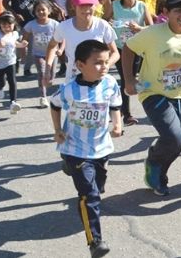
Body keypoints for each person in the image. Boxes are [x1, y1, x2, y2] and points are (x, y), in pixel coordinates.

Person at [122, 0, 181, 195]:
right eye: (178, 10)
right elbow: (128, 49)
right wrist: (128, 80)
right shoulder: (153, 33)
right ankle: (154, 160)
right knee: (173, 137)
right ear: (166, 12)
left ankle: (158, 174)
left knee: (177, 143)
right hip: (153, 91)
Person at [50, 39, 123, 258]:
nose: (104, 66)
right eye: (98, 63)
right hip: (75, 148)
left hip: (101, 147)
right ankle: (95, 242)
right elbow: (54, 104)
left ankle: (78, 177)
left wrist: (117, 123)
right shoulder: (70, 90)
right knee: (89, 194)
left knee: (98, 188)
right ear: (81, 65)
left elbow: (115, 104)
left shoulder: (110, 83)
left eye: (105, 61)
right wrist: (57, 130)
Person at [44, 0, 120, 86]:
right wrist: (47, 69)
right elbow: (52, 46)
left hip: (98, 80)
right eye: (82, 5)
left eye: (90, 4)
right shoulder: (64, 27)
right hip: (73, 82)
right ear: (74, 6)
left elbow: (115, 53)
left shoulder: (102, 25)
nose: (86, 9)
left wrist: (105, 66)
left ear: (96, 5)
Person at [112, 0, 153, 126]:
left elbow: (152, 27)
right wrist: (111, 23)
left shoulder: (142, 6)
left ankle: (120, 106)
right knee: (125, 78)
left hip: (138, 49)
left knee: (136, 78)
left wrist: (139, 28)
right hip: (121, 48)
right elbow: (104, 21)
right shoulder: (114, 5)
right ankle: (127, 114)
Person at [0, 12, 28, 113]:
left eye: (9, 25)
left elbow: (15, 44)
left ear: (14, 24)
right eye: (3, 25)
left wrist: (22, 45)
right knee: (1, 81)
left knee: (12, 80)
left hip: (10, 61)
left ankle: (13, 102)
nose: (6, 28)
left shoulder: (15, 34)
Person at [22, 0, 61, 109]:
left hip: (53, 54)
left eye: (43, 9)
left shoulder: (54, 24)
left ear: (49, 11)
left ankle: (48, 81)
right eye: (38, 10)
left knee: (51, 76)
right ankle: (43, 97)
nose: (41, 12)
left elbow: (63, 38)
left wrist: (61, 49)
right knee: (42, 73)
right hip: (38, 54)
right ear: (34, 12)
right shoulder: (32, 24)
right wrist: (23, 45)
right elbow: (25, 35)